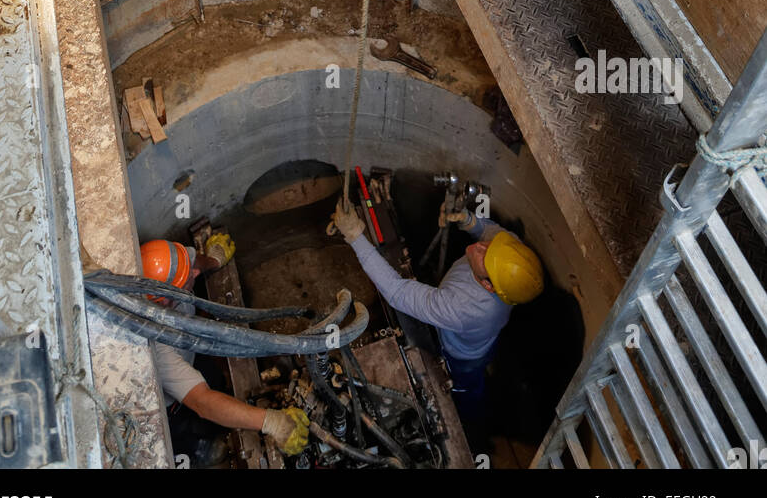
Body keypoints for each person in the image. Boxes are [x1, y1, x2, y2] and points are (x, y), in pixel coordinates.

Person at [332, 199, 543, 442]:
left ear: (488, 286)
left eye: (487, 257)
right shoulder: (512, 259)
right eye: (491, 246)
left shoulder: (462, 308)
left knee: (467, 390)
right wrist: (468, 220)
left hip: (463, 358)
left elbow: (397, 292)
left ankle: (473, 425)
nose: (481, 247)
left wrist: (355, 237)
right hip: (485, 339)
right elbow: (491, 232)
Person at [141, 236, 309, 465]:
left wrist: (215, 260)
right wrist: (271, 422)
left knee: (213, 378)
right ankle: (204, 448)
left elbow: (192, 263)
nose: (195, 275)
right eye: (185, 280)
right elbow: (203, 402)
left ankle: (224, 411)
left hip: (192, 353)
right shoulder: (159, 350)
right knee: (195, 432)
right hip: (174, 406)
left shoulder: (161, 263)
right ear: (164, 301)